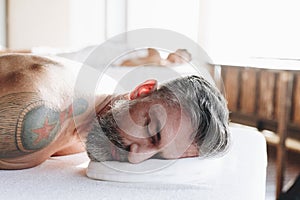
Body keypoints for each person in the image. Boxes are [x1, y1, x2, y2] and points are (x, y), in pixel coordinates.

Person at [0, 52, 229, 170]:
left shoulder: (109, 102)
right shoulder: (34, 118)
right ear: (142, 91)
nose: (135, 156)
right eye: (151, 131)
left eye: (158, 156)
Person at [119, 48, 192, 67]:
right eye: (180, 57)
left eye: (181, 62)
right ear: (174, 53)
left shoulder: (158, 61)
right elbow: (124, 63)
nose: (177, 62)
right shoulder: (154, 53)